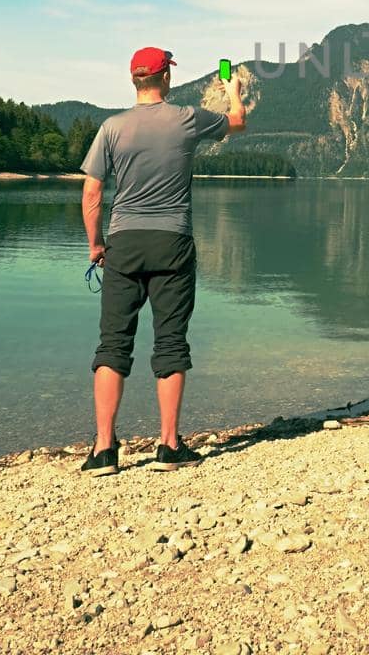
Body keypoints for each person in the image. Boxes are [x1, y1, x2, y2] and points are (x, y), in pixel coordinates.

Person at [77, 45, 246, 475]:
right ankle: (169, 446)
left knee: (113, 344)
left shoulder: (111, 128)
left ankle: (103, 451)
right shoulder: (187, 118)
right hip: (173, 242)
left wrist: (97, 246)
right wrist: (234, 91)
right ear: (165, 78)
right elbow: (239, 123)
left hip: (123, 244)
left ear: (134, 79)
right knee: (170, 341)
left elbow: (93, 193)